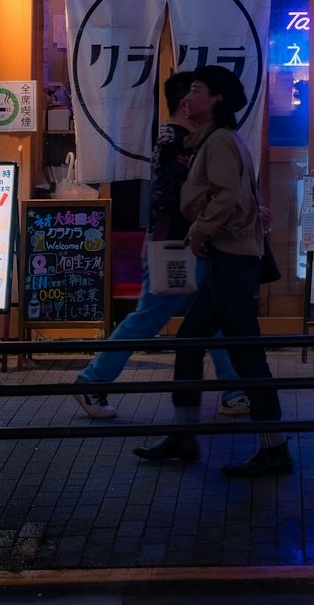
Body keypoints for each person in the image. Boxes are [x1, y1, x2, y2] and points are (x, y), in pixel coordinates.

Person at [134, 65, 291, 478]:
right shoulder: (214, 139)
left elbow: (227, 194)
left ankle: (274, 448)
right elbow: (234, 196)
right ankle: (185, 436)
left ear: (216, 98)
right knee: (189, 343)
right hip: (227, 259)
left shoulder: (219, 140)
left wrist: (200, 233)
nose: (187, 97)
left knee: (246, 353)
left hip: (229, 261)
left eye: (196, 90)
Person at [71, 71, 247, 419]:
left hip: (182, 244)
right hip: (177, 246)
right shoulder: (176, 142)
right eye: (194, 91)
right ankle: (92, 381)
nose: (194, 97)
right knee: (150, 318)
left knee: (211, 317)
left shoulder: (184, 139)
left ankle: (235, 390)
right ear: (187, 102)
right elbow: (198, 196)